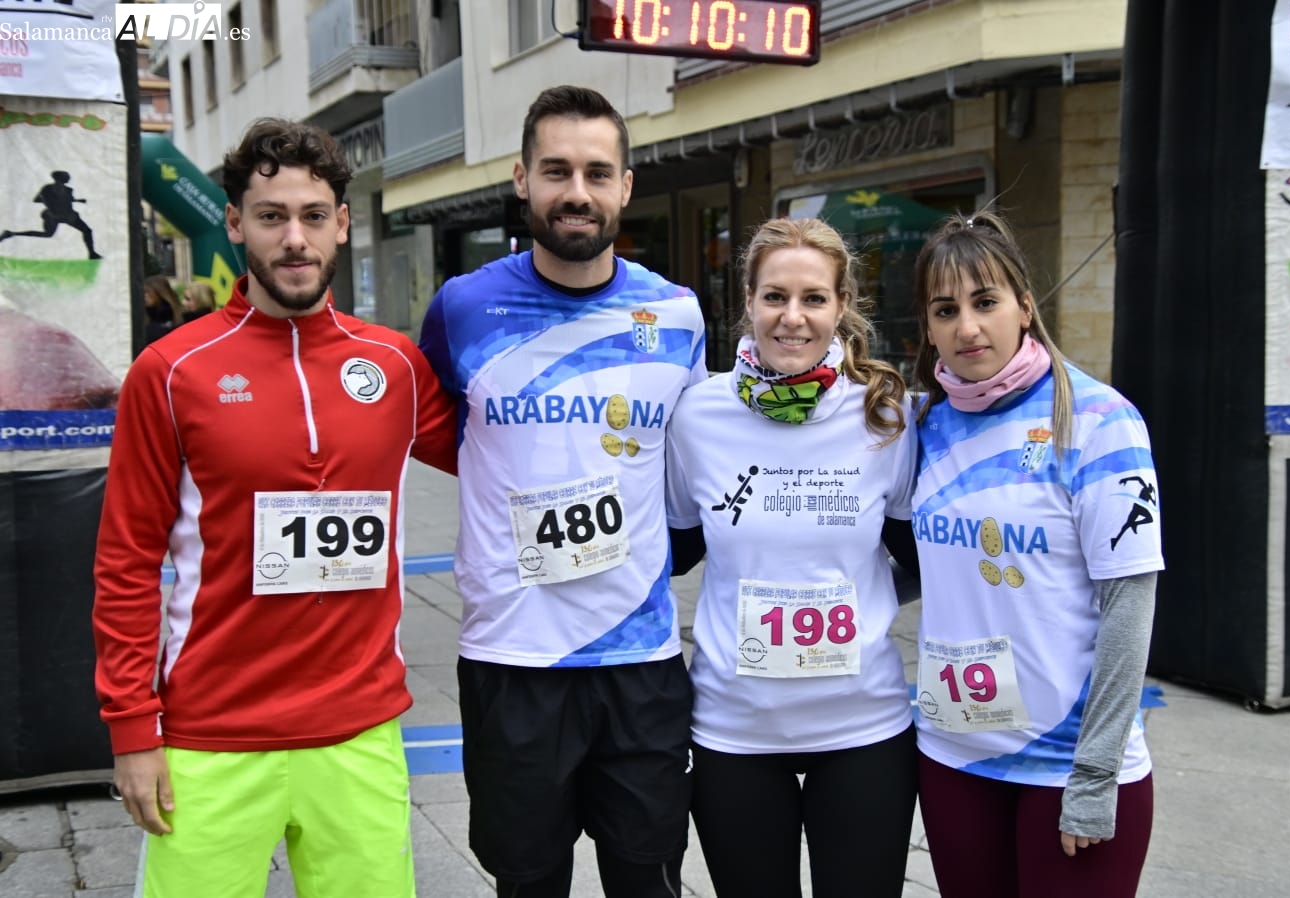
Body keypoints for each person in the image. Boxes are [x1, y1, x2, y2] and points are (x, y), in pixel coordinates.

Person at [93, 117, 458, 898]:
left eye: (313, 216)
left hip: (359, 734)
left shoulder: (394, 365)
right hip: (210, 738)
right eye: (271, 216)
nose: (295, 238)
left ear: (342, 224)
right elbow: (126, 561)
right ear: (233, 223)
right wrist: (131, 729)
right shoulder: (171, 370)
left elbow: (504, 458)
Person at [418, 85, 706, 898]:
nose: (576, 192)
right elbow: (430, 430)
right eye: (556, 171)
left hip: (640, 659)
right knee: (527, 880)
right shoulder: (462, 308)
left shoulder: (678, 315)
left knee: (648, 881)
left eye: (596, 172)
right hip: (514, 659)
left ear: (625, 186)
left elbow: (688, 460)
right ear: (521, 179)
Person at [908, 211, 1164, 898]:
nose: (968, 327)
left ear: (1024, 306)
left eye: (985, 302)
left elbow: (1129, 604)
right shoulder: (923, 425)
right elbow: (912, 562)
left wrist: (1096, 774)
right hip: (955, 756)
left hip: (1067, 764)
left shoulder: (1101, 420)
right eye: (945, 309)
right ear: (927, 327)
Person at [664, 217, 921, 897]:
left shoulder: (885, 415)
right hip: (735, 731)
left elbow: (921, 554)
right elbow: (674, 550)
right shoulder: (696, 415)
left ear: (842, 306)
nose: (792, 317)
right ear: (747, 300)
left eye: (813, 298)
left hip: (863, 727)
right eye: (775, 296)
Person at [0, 170, 102, 259]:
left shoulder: (68, 190)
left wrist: (77, 200)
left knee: (87, 231)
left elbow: (67, 200)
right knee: (48, 234)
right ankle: (11, 233)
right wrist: (49, 203)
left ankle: (92, 253)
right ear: (60, 178)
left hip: (67, 215)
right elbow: (37, 199)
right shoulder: (48, 188)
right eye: (66, 177)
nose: (68, 179)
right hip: (54, 216)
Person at [143, 274, 182, 342]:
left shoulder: (178, 315)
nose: (144, 296)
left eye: (147, 292)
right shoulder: (144, 316)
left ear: (158, 293)